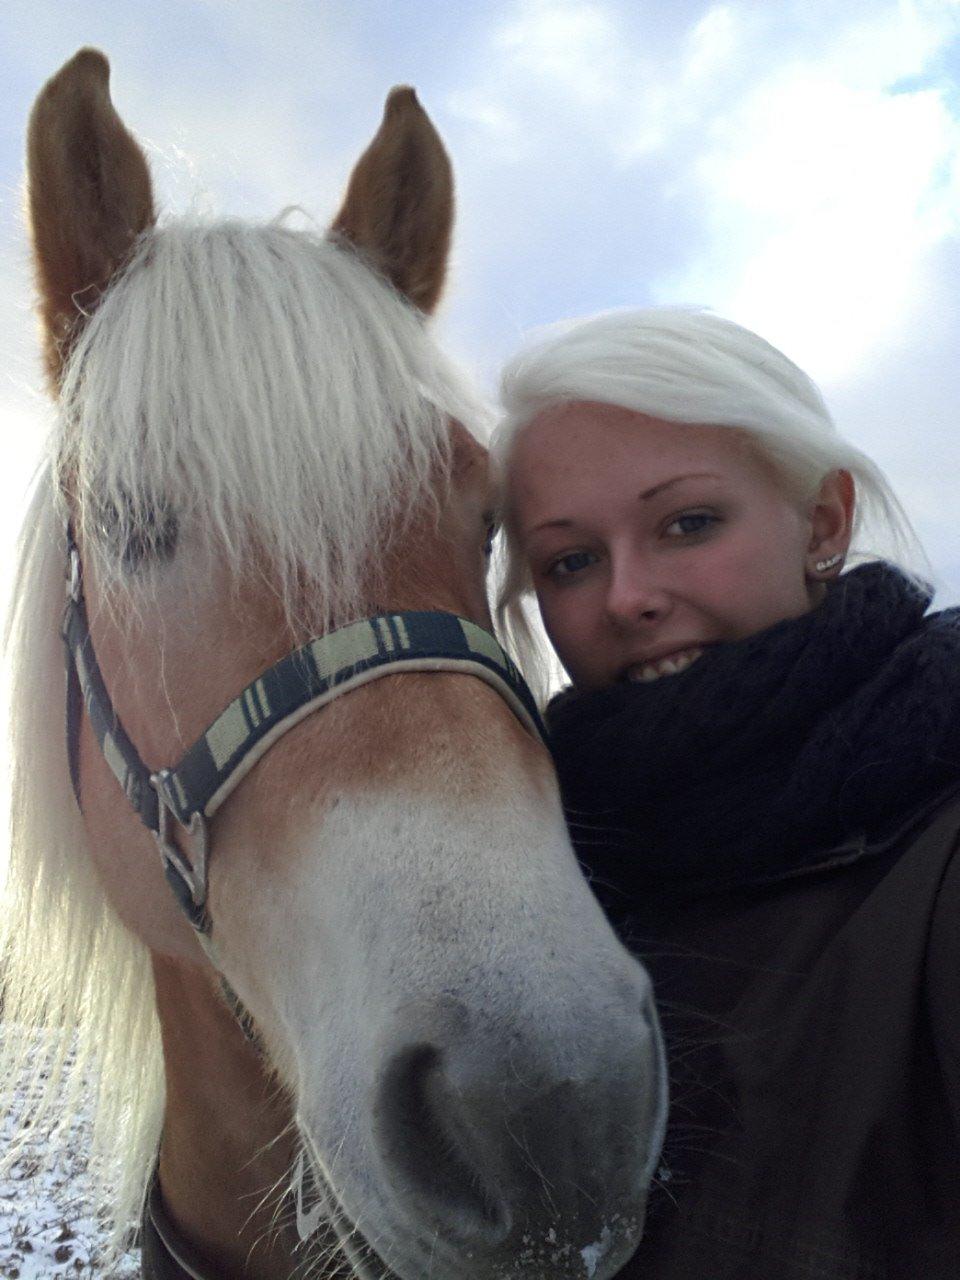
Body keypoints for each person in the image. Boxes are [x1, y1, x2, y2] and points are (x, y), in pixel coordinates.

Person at [491, 307, 960, 1280]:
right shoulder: (522, 892)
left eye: (688, 522)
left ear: (823, 520)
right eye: (571, 559)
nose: (627, 596)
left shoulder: (936, 858)